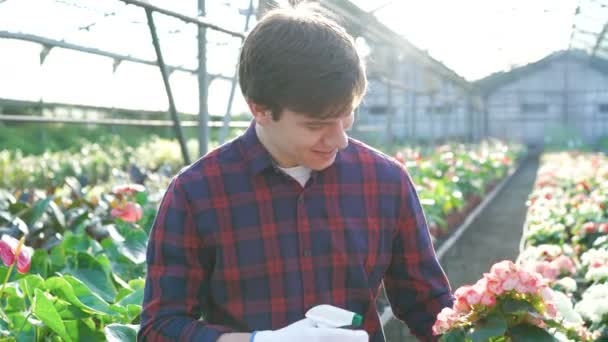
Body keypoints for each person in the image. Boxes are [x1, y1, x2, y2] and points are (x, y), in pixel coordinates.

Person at [138, 2, 453, 342]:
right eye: (316, 125)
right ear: (259, 108)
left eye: (346, 116)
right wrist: (260, 341)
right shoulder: (196, 193)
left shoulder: (385, 181)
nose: (340, 140)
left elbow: (427, 304)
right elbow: (160, 328)